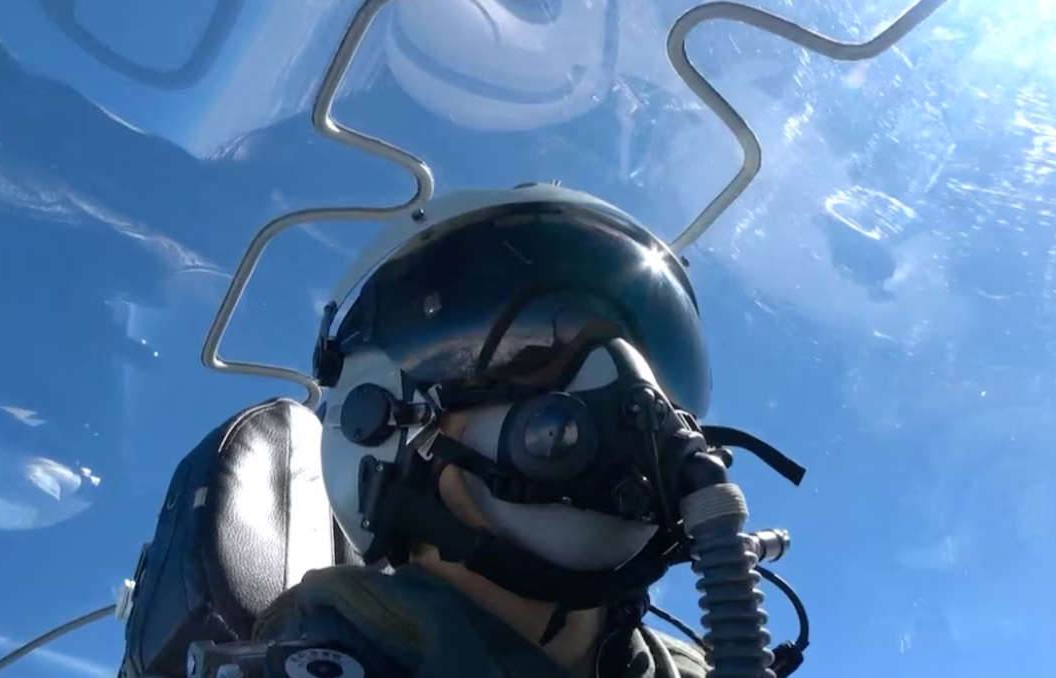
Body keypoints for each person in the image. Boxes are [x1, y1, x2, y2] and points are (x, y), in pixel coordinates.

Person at [248, 184, 803, 678]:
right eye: (533, 353)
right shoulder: (313, 658)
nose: (633, 392)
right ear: (378, 419)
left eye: (655, 365)